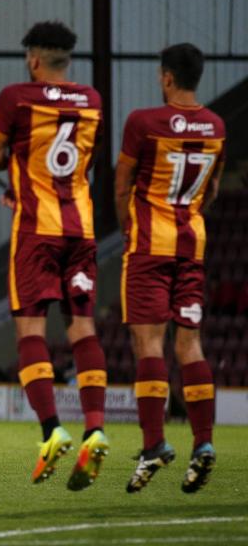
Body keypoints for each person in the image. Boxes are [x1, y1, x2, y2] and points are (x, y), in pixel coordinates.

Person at [0, 21, 109, 490]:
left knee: (30, 329)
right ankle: (94, 429)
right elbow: (82, 160)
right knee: (83, 327)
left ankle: (50, 430)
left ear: (34, 58)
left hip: (37, 231)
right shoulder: (92, 100)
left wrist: (20, 178)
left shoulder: (16, 96)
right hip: (82, 229)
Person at [116, 43, 225, 494]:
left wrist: (129, 228)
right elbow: (213, 189)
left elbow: (122, 185)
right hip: (191, 246)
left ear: (166, 77)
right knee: (191, 345)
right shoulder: (217, 126)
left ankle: (155, 443)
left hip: (149, 246)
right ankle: (203, 443)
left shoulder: (143, 122)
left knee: (149, 345)